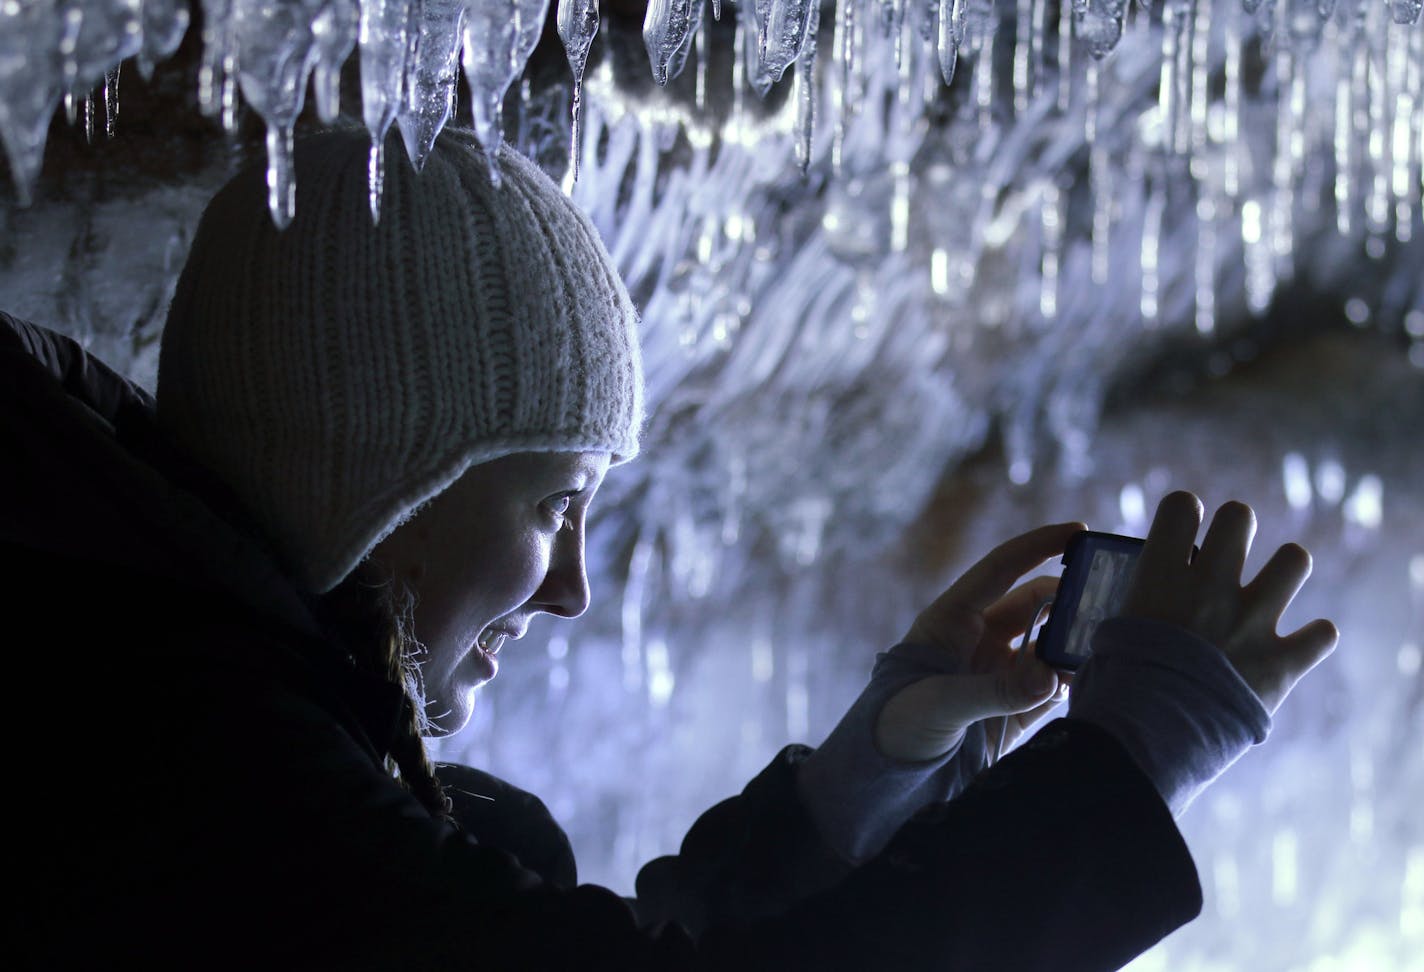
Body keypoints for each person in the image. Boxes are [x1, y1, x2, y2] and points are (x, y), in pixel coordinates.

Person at [1, 125, 1337, 970]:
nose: (575, 585)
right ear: (382, 488)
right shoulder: (203, 774)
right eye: (548, 506)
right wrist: (1135, 752)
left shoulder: (183, 713)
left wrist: (862, 783)